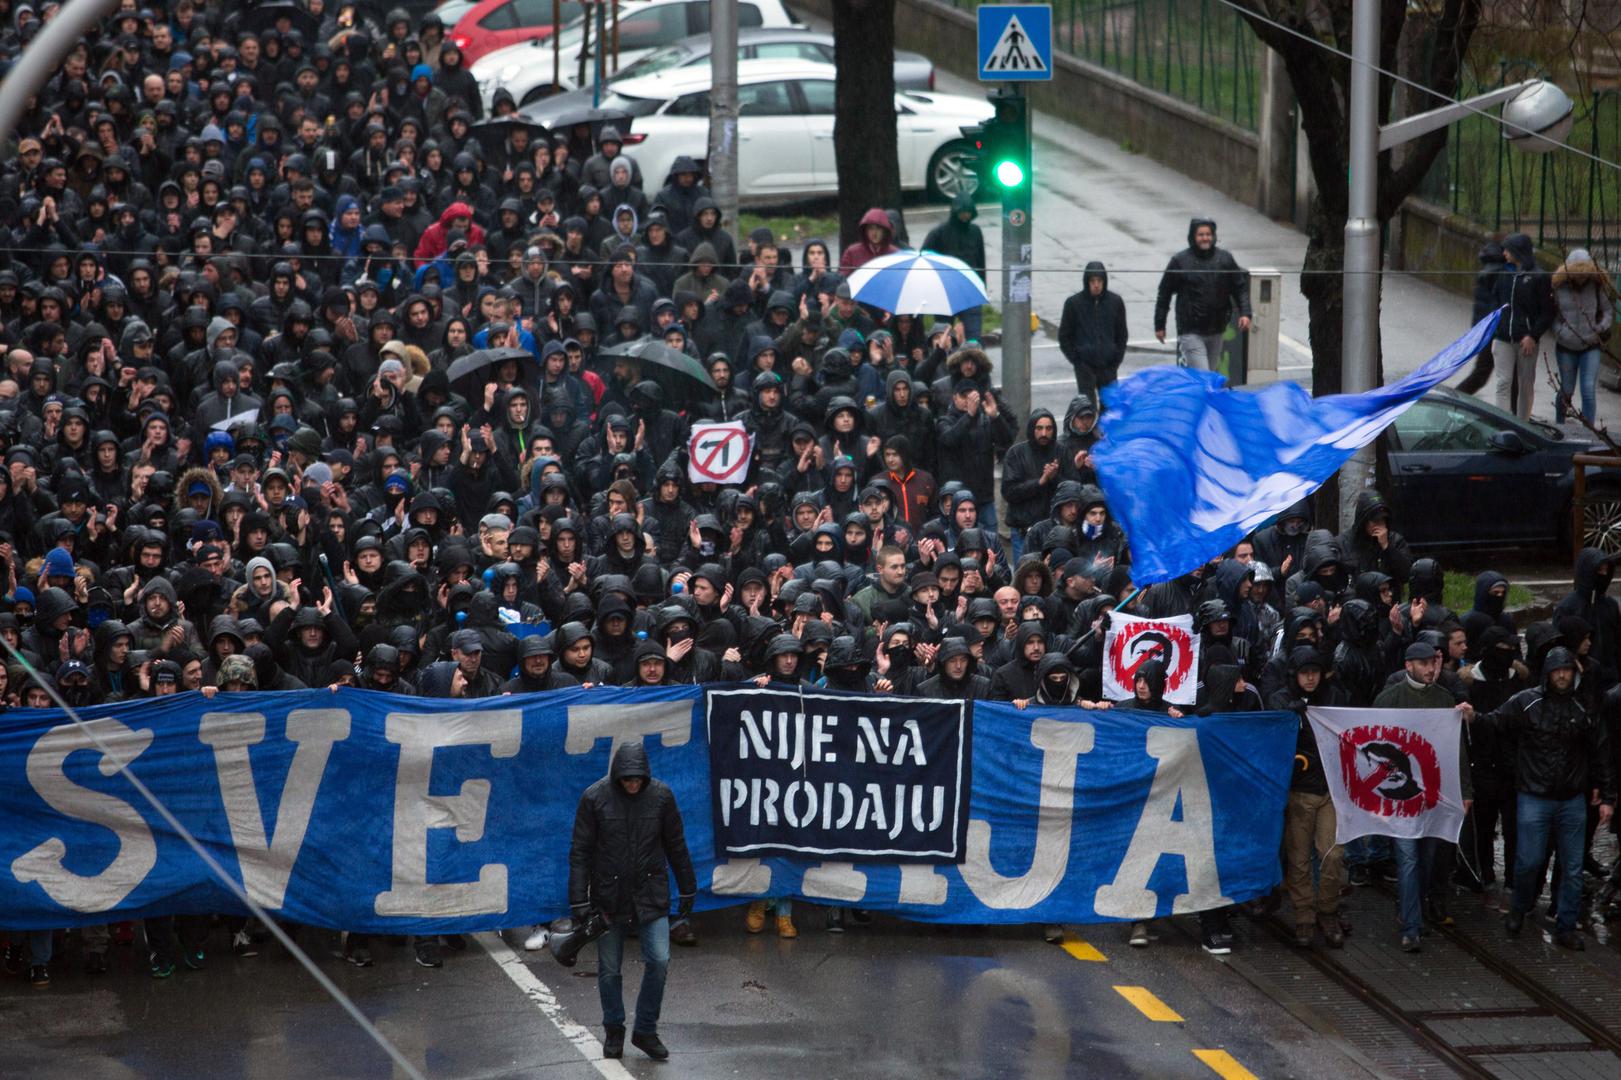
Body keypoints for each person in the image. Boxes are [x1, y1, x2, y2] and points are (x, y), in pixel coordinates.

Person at [568, 742, 696, 1061]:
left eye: (638, 779)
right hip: (609, 898)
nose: (633, 784)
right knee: (609, 969)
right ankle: (614, 1028)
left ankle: (645, 1029)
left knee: (660, 960)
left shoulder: (662, 797)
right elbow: (580, 852)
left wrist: (688, 888)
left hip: (650, 893)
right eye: (628, 779)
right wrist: (578, 902)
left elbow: (676, 845)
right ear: (617, 777)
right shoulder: (594, 798)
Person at [1481, 647, 1614, 949]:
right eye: (1557, 671)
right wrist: (1471, 717)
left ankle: (1566, 925)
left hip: (1571, 799)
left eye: (1567, 670)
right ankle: (1519, 906)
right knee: (1529, 861)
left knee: (1571, 866)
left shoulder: (1584, 708)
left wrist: (1607, 794)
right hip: (1534, 796)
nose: (1563, 676)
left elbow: (1600, 752)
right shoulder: (1527, 702)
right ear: (1548, 674)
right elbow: (1495, 721)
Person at [1372, 642, 1474, 952]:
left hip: (1433, 796)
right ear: (1409, 665)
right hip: (1401, 799)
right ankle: (1412, 926)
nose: (1431, 668)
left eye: (1434, 662)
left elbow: (1456, 749)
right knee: (1407, 859)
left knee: (1429, 859)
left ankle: (1413, 910)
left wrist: (1465, 791)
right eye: (1424, 663)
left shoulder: (1445, 699)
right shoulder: (1388, 700)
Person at [1153, 217, 1251, 372]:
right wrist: (1160, 324)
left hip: (1217, 329)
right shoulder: (1179, 261)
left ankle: (1193, 396)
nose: (1205, 238)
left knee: (1208, 376)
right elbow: (1164, 294)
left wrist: (1245, 313)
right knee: (1204, 376)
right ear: (1193, 236)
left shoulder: (1225, 259)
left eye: (1208, 234)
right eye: (1201, 234)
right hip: (1190, 330)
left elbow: (1239, 287)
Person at [1491, 232, 1554, 419]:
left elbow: (1547, 312)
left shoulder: (1539, 277)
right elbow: (1495, 302)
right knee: (1503, 383)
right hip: (1503, 338)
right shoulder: (1503, 273)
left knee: (1525, 384)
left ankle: (1522, 424)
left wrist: (1533, 335)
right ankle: (1502, 424)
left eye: (1508, 250)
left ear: (1518, 252)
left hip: (1526, 341)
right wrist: (1496, 329)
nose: (1504, 254)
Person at [1551, 248, 1614, 425]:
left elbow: (1608, 311)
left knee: (1588, 388)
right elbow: (1553, 315)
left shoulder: (1596, 287)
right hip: (1566, 346)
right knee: (1567, 389)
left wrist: (1599, 329)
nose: (1581, 278)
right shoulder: (1559, 287)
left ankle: (1589, 430)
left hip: (1590, 345)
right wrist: (1560, 331)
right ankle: (1560, 424)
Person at [1058, 262, 1128, 399]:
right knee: (1087, 410)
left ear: (1104, 281)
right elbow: (1064, 336)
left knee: (1110, 409)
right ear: (1087, 282)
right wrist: (1077, 361)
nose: (1096, 285)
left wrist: (1115, 361)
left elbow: (1122, 335)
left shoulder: (1115, 302)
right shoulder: (1073, 304)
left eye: (1099, 281)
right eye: (1092, 281)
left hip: (1108, 366)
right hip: (1085, 367)